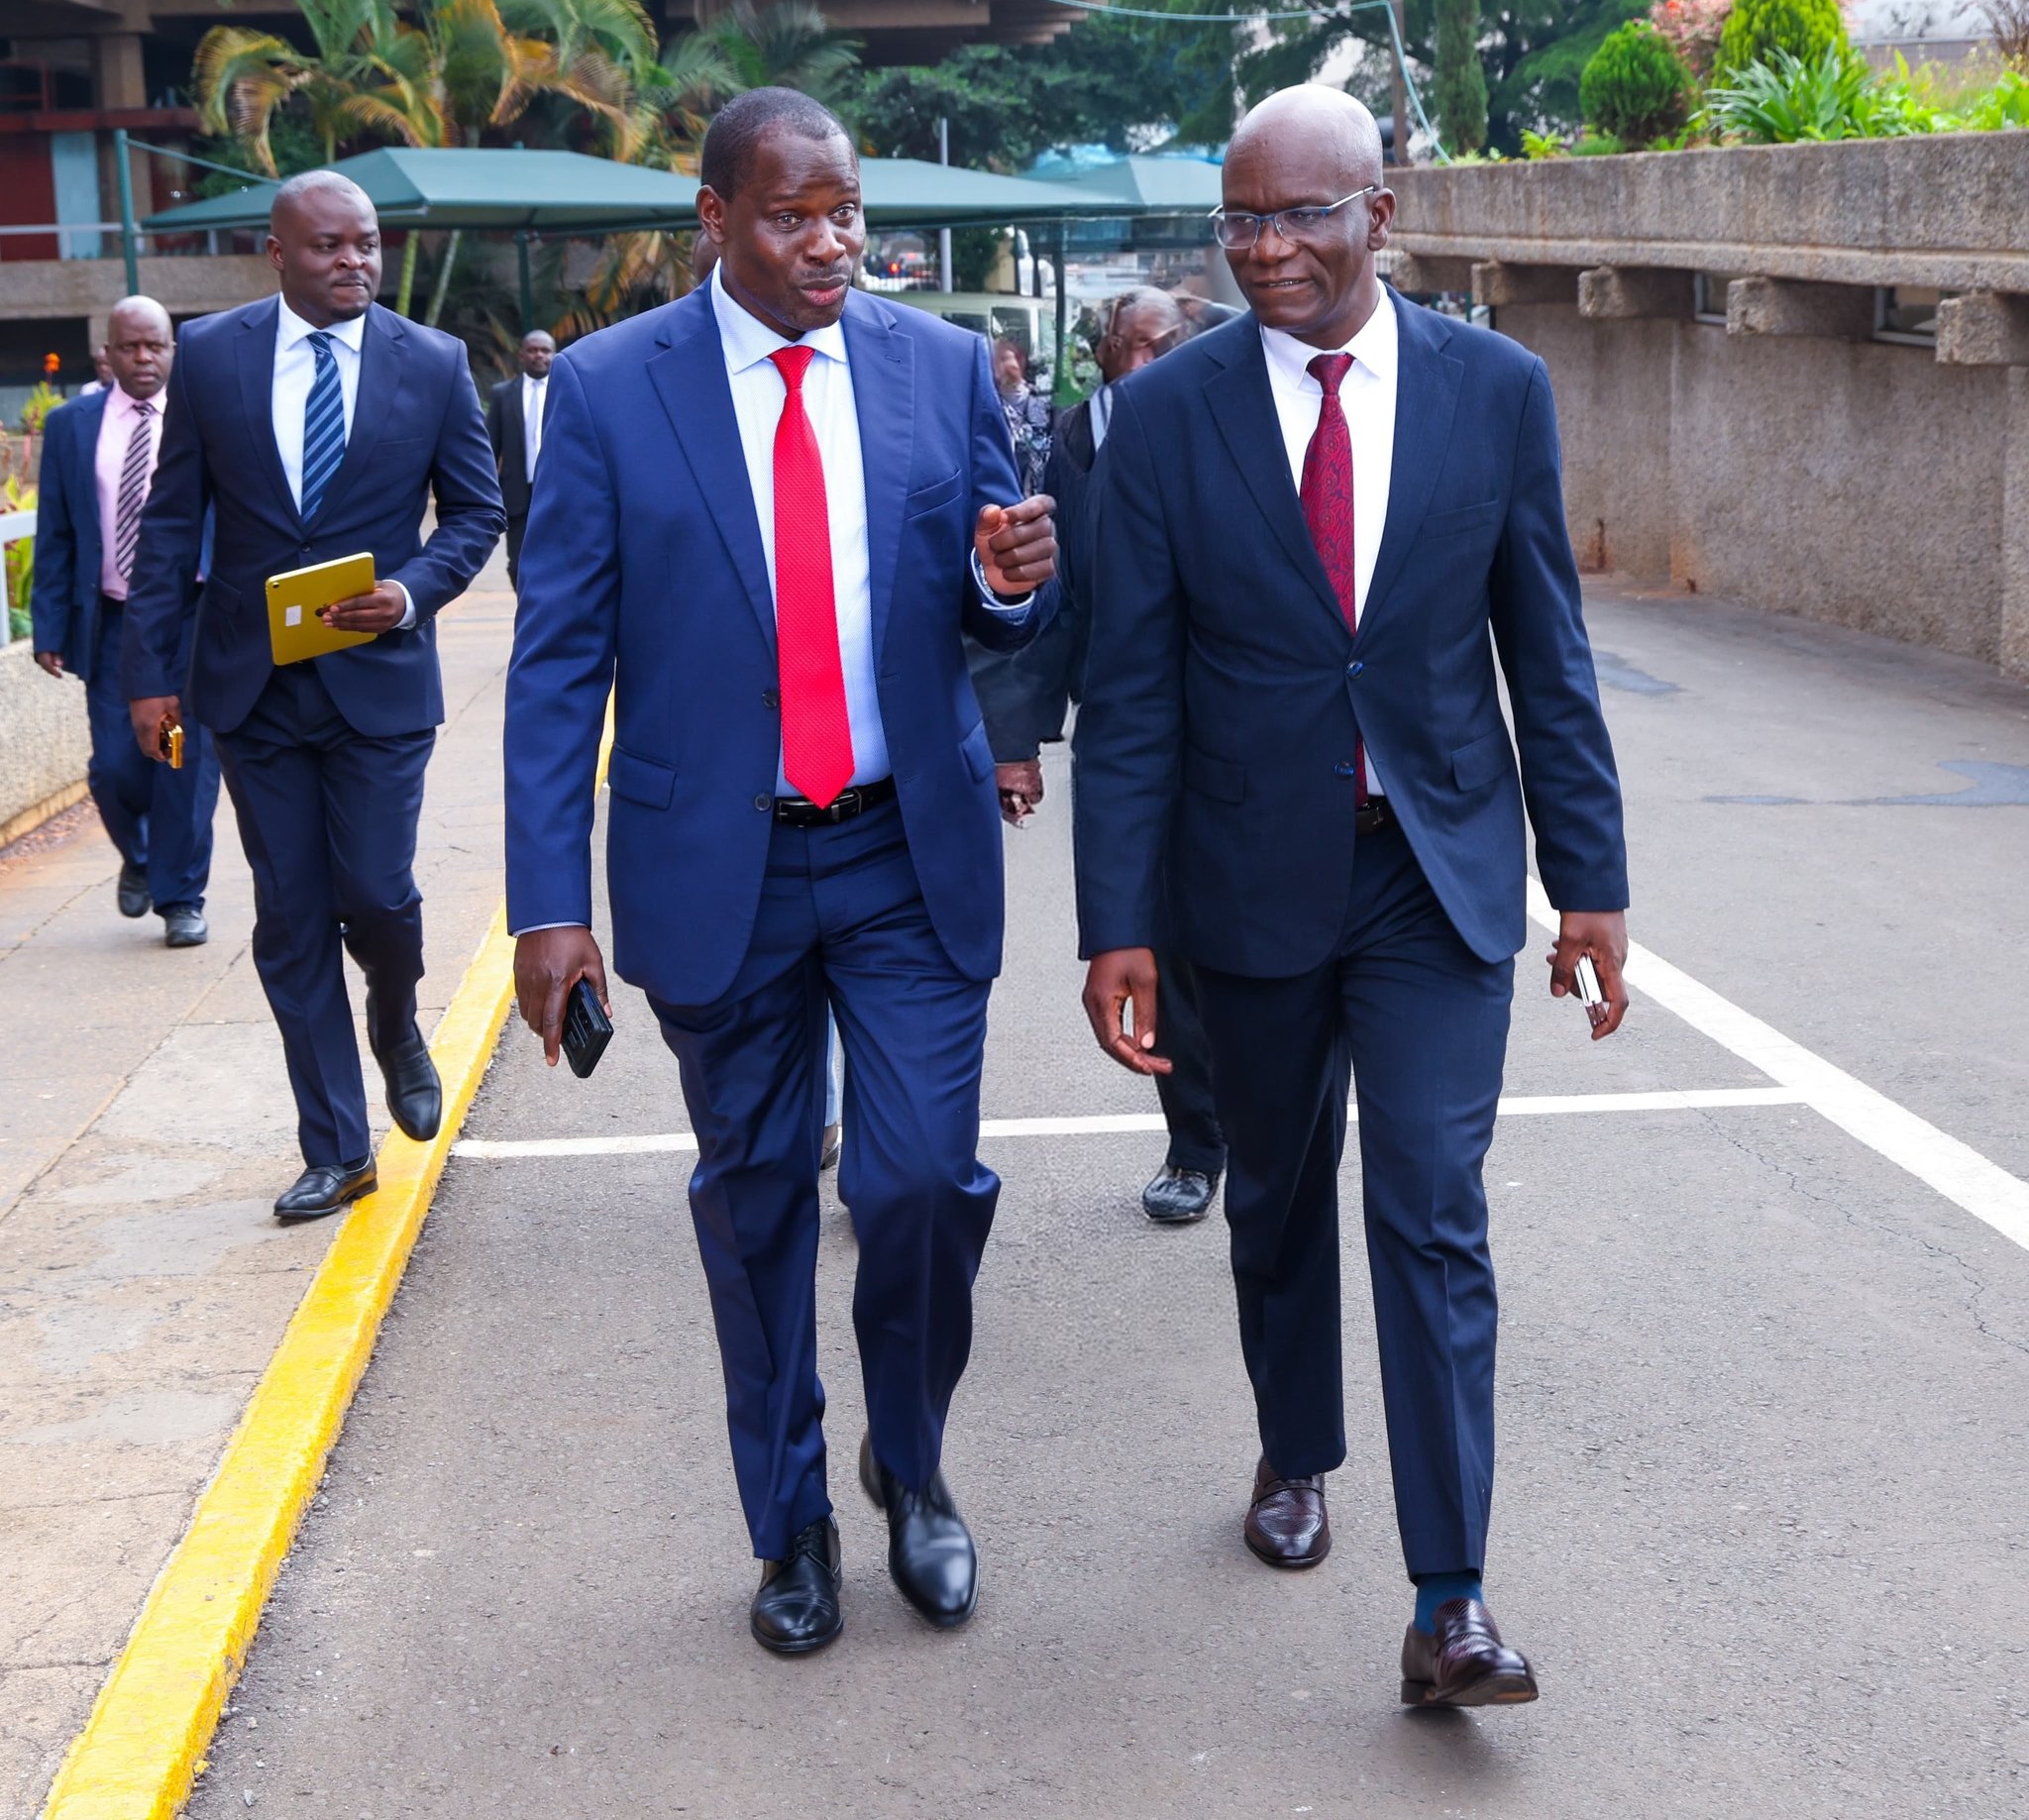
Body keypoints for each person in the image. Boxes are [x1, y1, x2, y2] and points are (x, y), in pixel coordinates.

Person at [1073, 86, 1631, 1710]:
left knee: (1431, 1205)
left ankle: (1450, 1599)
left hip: (1433, 871)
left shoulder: (1493, 392)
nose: (1265, 248)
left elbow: (1545, 652)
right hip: (1242, 876)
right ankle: (1295, 1444)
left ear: (1378, 216)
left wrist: (1589, 883)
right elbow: (1131, 693)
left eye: (1301, 214)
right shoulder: (1164, 417)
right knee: (1273, 1190)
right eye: (1241, 218)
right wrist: (1117, 924)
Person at [505, 88, 1056, 1659]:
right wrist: (549, 903)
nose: (832, 242)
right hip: (716, 862)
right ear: (716, 219)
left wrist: (1008, 587)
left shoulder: (939, 363)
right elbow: (558, 661)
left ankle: (913, 1459)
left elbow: (988, 595)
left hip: (903, 850)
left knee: (921, 1180)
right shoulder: (610, 390)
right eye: (792, 215)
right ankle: (791, 1519)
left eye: (846, 210)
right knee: (754, 1205)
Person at [123, 170, 504, 1223]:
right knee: (290, 918)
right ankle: (337, 1146)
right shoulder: (211, 356)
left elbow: (477, 513)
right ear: (278, 253)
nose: (354, 262)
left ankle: (395, 1015)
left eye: (366, 243)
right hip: (251, 689)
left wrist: (411, 591)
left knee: (376, 893)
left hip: (378, 685)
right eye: (329, 246)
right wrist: (149, 677)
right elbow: (170, 524)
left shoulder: (433, 361)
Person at [971, 286, 1228, 1226]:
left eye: (1161, 343)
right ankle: (1194, 1144)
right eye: (1126, 344)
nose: (1141, 361)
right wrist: (1017, 739)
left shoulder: (1231, 421)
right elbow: (1049, 598)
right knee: (1155, 940)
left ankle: (1271, 1134)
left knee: (1256, 949)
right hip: (1130, 734)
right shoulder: (1070, 443)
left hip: (1242, 731)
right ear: (1102, 353)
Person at [32, 295, 221, 947]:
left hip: (191, 617)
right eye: (130, 347)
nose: (143, 358)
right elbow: (56, 531)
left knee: (183, 759)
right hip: (113, 621)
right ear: (106, 354)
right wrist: (49, 627)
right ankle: (138, 856)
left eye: (155, 346)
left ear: (174, 351)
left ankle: (181, 897)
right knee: (117, 766)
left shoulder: (204, 417)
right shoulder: (70, 426)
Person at [485, 329, 554, 591]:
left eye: (545, 350)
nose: (539, 355)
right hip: (517, 496)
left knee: (557, 559)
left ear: (554, 355)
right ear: (521, 355)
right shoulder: (502, 394)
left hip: (558, 492)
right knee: (518, 564)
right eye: (532, 350)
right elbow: (490, 447)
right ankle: (527, 606)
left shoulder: (566, 392)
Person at [991, 336, 1052, 500]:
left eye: (1003, 359)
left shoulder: (1046, 404)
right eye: (994, 360)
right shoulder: (986, 407)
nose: (998, 366)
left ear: (1020, 360)